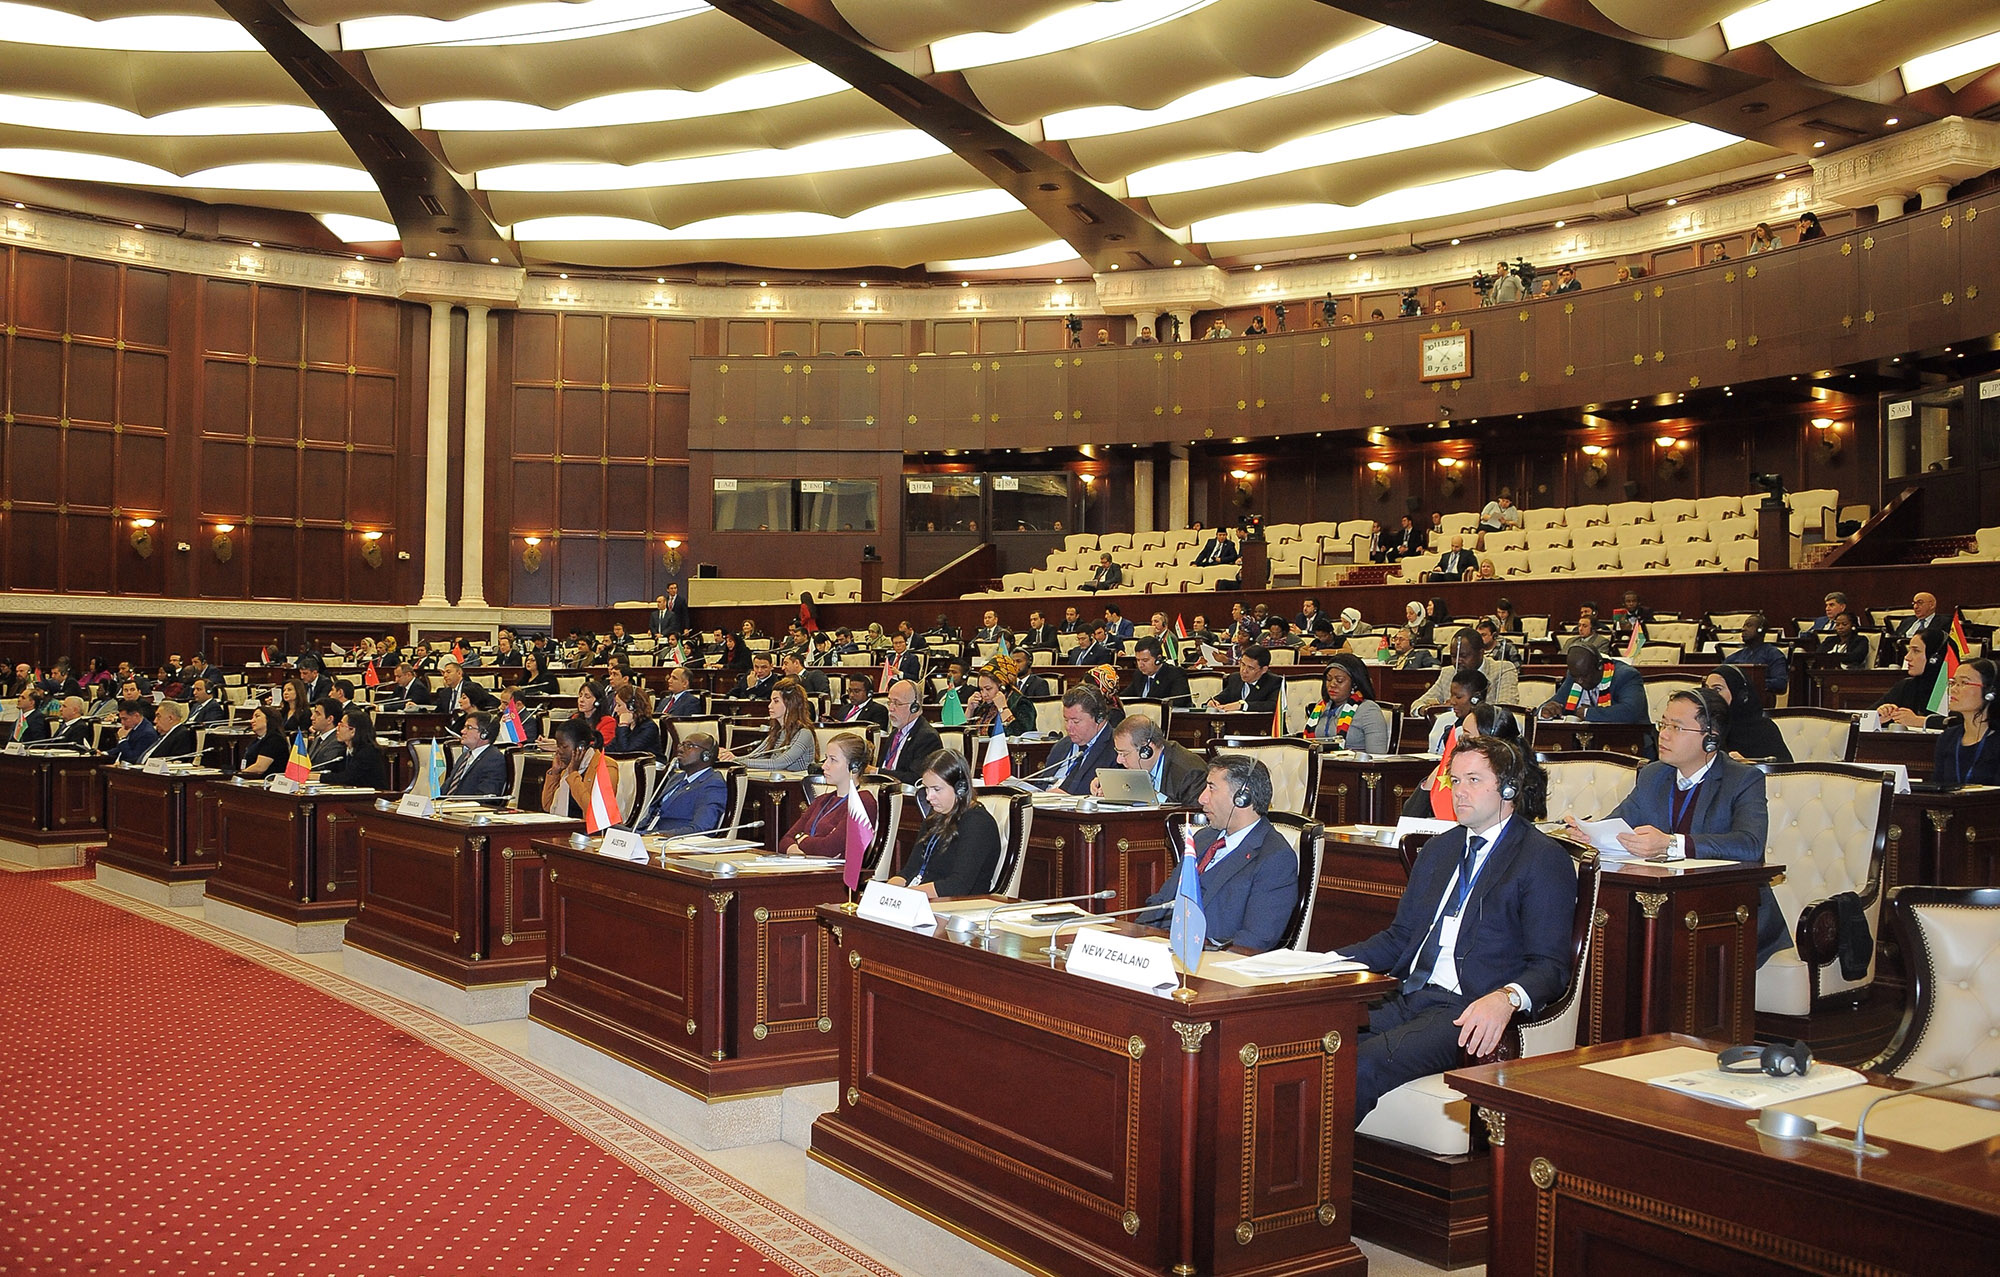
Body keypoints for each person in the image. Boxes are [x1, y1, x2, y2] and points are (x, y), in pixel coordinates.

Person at [1337, 736, 1577, 1118]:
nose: (1459, 792)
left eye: (1474, 780)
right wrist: (1326, 964)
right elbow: (1399, 939)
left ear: (1509, 788)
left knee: (1358, 1064)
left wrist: (1507, 998)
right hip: (1407, 994)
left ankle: (1318, 1175)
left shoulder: (1542, 859)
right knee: (1313, 1044)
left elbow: (1550, 966)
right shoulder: (1439, 849)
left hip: (1466, 1007)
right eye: (1456, 780)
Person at [1571, 689, 1784, 964]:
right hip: (1664, 910)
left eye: (1677, 727)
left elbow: (1749, 846)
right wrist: (1588, 835)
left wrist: (1671, 843)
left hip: (1729, 915)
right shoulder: (1653, 775)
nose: (1664, 734)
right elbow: (1619, 826)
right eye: (1663, 724)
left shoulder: (1743, 780)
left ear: (1710, 739)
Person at [1138, 755, 1299, 950]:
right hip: (1165, 951)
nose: (1201, 798)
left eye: (1211, 788)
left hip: (1212, 964)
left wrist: (1199, 952)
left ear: (1242, 797)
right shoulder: (1203, 838)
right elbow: (1162, 902)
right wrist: (1136, 937)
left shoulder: (1275, 857)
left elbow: (1258, 939)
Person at [889, 750, 1001, 898]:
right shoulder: (934, 816)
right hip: (922, 899)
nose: (929, 797)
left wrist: (906, 895)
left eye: (936, 789)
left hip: (958, 906)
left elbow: (957, 885)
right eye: (926, 788)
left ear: (960, 788)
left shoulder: (978, 823)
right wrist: (886, 893)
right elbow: (909, 871)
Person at [781, 733, 878, 857]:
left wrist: (800, 839)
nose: (824, 766)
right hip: (807, 868)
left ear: (854, 766)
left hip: (836, 873)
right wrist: (802, 849)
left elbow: (829, 848)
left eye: (833, 760)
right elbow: (785, 841)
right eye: (826, 758)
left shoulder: (863, 801)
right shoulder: (823, 799)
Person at [1092, 714, 1204, 806]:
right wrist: (1110, 784)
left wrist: (1149, 794)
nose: (1119, 760)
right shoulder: (1136, 763)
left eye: (1124, 754)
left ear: (1147, 750)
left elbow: (1190, 818)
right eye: (1118, 753)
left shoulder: (1189, 772)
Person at [634, 734, 728, 836]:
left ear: (706, 756)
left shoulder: (713, 784)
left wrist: (658, 835)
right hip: (645, 833)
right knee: (615, 829)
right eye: (681, 745)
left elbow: (701, 828)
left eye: (689, 746)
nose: (680, 749)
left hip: (669, 841)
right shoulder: (677, 777)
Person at [720, 679, 816, 771]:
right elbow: (755, 756)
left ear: (791, 704)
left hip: (796, 785)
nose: (770, 706)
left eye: (776, 701)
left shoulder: (804, 733)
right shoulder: (778, 731)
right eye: (771, 701)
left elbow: (778, 763)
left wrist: (735, 760)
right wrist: (729, 757)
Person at [1413, 630, 1519, 713]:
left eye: (1463, 656)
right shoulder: (1448, 672)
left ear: (1481, 653)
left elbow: (1507, 709)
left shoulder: (1503, 670)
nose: (1458, 661)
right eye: (1453, 656)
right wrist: (1429, 709)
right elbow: (1416, 705)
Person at [1933, 659, 2000, 788]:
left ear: (1990, 692)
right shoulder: (1947, 738)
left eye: (1963, 683)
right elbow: (1937, 786)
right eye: (1953, 683)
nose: (1953, 689)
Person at [1705, 665, 1792, 763]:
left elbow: (1783, 771)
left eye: (1717, 689)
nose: (1709, 695)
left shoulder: (1764, 728)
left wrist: (1748, 764)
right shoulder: (1702, 726)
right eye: (1707, 689)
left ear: (1740, 695)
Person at [1539, 645, 1648, 723]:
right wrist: (1545, 711)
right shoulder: (1576, 674)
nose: (1579, 681)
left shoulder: (1626, 676)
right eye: (1576, 677)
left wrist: (1588, 713)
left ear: (1600, 667)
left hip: (1631, 740)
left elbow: (1630, 711)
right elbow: (1556, 702)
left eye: (1584, 676)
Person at [1043, 686, 1117, 795]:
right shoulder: (1061, 746)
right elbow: (1042, 783)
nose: (1068, 727)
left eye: (1075, 721)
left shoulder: (1116, 749)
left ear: (1099, 718)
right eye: (1066, 720)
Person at [539, 718, 616, 816]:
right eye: (557, 746)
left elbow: (596, 812)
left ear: (581, 746)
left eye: (564, 747)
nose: (559, 751)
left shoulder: (606, 767)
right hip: (565, 826)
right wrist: (555, 773)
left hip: (588, 829)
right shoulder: (567, 768)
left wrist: (573, 774)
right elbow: (547, 806)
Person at [877, 680, 942, 786]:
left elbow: (916, 778)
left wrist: (878, 773)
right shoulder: (895, 733)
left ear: (914, 707)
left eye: (897, 703)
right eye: (889, 702)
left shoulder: (927, 737)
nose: (891, 708)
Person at [1876, 631, 1945, 728]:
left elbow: (1961, 723)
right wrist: (1878, 715)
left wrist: (1920, 721)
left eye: (1916, 651)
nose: (1907, 657)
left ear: (1934, 658)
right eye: (1909, 650)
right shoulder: (1907, 686)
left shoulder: (1953, 689)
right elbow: (1861, 718)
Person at [440, 713, 508, 797]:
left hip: (467, 808)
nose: (462, 731)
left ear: (484, 734)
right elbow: (446, 788)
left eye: (469, 728)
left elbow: (486, 796)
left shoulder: (494, 759)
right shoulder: (464, 756)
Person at [319, 708, 387, 789]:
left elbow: (347, 777)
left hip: (371, 798)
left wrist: (319, 777)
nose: (337, 728)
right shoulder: (345, 750)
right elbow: (334, 770)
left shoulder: (368, 752)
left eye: (341, 725)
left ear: (353, 731)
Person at [965, 656, 1034, 734]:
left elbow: (1019, 733)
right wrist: (970, 710)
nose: (984, 694)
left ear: (1002, 687)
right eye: (981, 689)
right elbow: (964, 733)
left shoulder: (1022, 703)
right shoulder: (984, 705)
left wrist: (1003, 708)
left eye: (988, 689)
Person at [1726, 615, 1789, 698]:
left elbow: (1781, 683)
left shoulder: (1773, 654)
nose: (1743, 629)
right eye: (1744, 626)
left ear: (1760, 630)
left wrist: (1754, 683)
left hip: (1761, 699)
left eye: (1749, 626)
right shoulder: (1736, 656)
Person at [1209, 645, 1281, 713]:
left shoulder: (1274, 682)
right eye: (1243, 664)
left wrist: (1242, 705)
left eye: (1250, 668)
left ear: (1263, 670)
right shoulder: (1235, 678)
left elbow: (1273, 705)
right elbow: (1223, 697)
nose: (1244, 671)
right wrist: (1214, 702)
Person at [1126, 637, 1191, 706]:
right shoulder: (1139, 674)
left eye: (1145, 660)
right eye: (1138, 660)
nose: (1140, 665)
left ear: (1158, 659)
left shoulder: (1175, 675)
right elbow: (1125, 696)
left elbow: (1177, 704)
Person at [610, 684, 662, 756]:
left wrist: (623, 725)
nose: (615, 709)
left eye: (619, 705)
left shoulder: (649, 727)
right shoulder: (626, 725)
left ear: (632, 707)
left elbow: (626, 753)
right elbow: (612, 747)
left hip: (651, 765)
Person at [237, 706, 288, 777]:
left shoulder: (275, 740)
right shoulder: (256, 740)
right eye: (252, 718)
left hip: (267, 782)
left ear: (269, 719)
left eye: (257, 716)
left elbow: (260, 767)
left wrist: (240, 775)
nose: (252, 721)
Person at [107, 700, 159, 765]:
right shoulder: (133, 726)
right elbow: (120, 749)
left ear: (136, 716)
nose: (122, 722)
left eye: (125, 719)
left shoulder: (147, 733)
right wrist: (106, 753)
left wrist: (122, 739)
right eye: (121, 719)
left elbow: (133, 757)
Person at [571, 681, 615, 747]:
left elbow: (599, 743)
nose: (581, 700)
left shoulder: (608, 722)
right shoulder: (575, 718)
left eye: (587, 697)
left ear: (598, 701)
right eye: (580, 696)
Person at [306, 698, 345, 768]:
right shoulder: (318, 738)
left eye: (317, 714)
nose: (312, 717)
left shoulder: (337, 742)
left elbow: (324, 768)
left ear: (330, 719)